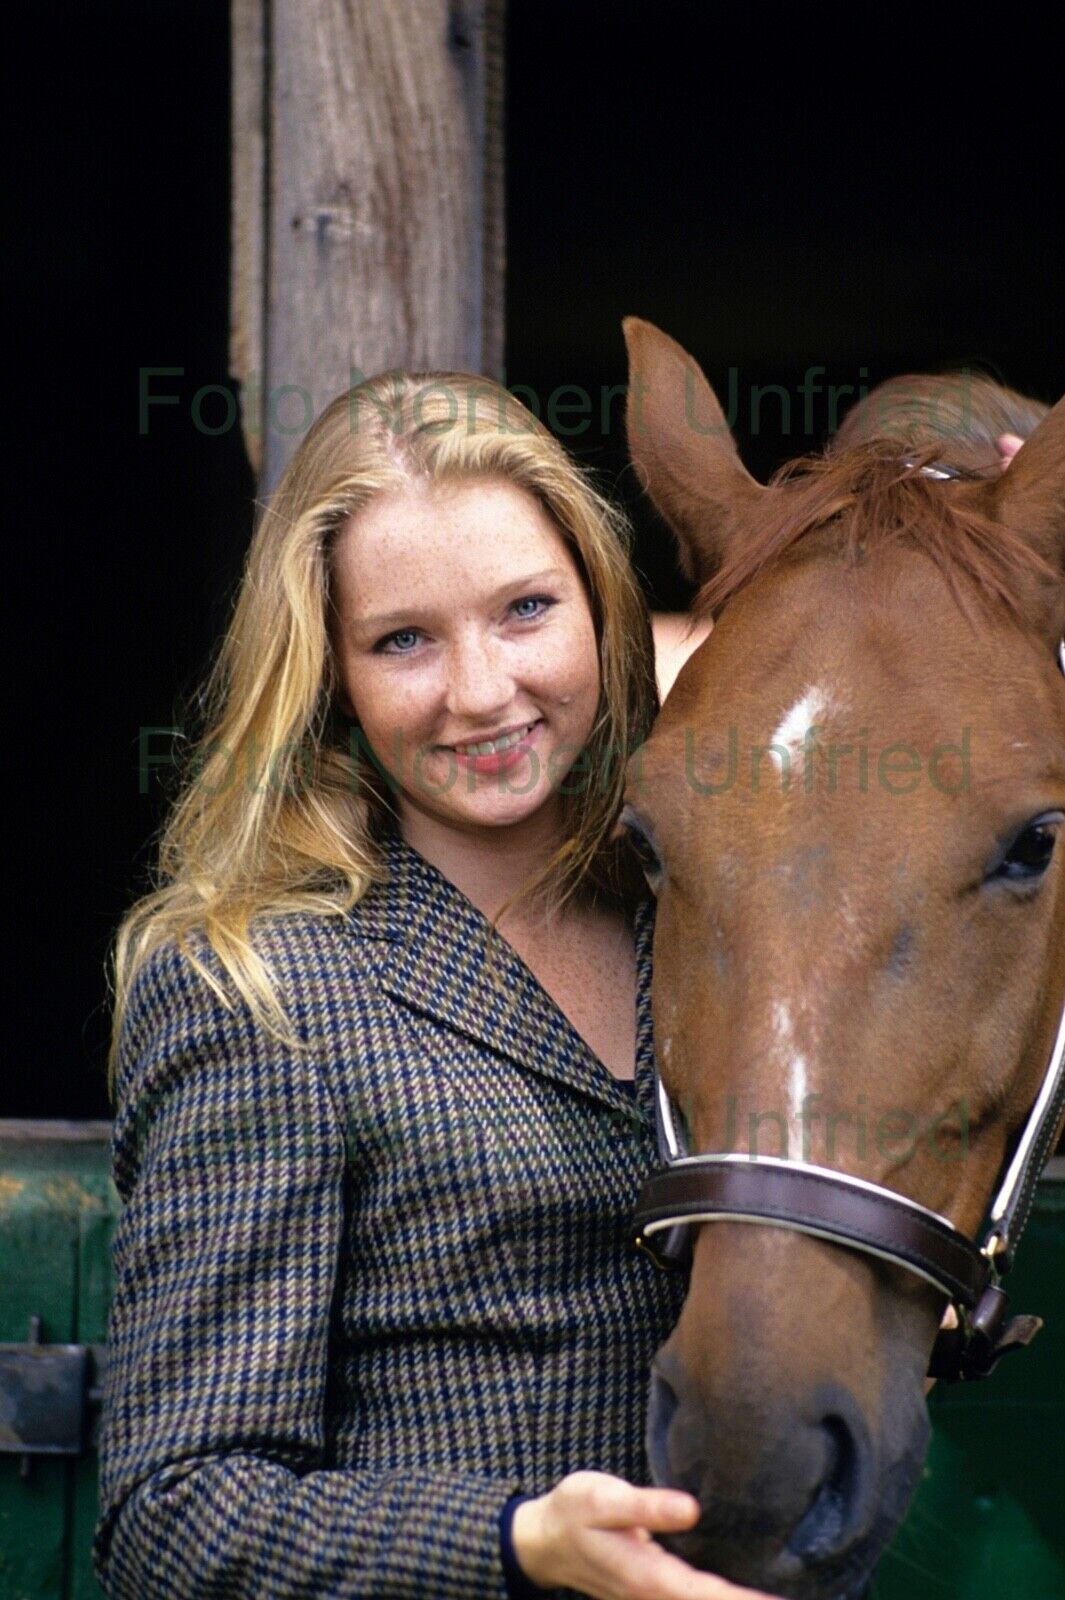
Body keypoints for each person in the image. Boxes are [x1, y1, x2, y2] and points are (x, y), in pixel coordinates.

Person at [93, 368, 774, 1600]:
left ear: (602, 608)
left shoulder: (708, 915)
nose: (478, 691)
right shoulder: (258, 987)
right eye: (403, 639)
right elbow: (176, 1510)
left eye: (525, 609)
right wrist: (518, 1543)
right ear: (330, 671)